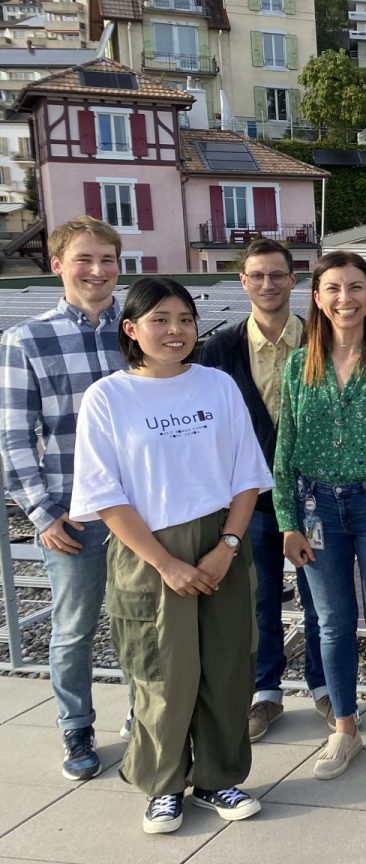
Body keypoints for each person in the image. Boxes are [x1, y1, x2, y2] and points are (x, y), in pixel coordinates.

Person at [70, 277, 270, 833]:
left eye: (184, 318)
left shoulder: (217, 387)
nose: (176, 330)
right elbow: (104, 495)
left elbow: (247, 476)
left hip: (220, 543)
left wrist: (228, 546)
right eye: (160, 320)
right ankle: (162, 784)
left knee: (227, 668)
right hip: (147, 550)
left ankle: (217, 778)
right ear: (131, 329)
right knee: (161, 673)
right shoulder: (108, 397)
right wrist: (166, 563)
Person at [274, 251, 366, 782]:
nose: (345, 298)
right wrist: (287, 520)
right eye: (333, 288)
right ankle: (344, 726)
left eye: (355, 287)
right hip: (316, 509)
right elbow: (285, 446)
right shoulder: (298, 364)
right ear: (316, 298)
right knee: (331, 624)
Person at [0, 216, 130, 780]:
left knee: (140, 620)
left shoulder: (143, 326)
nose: (98, 271)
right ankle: (76, 726)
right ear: (57, 265)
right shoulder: (26, 340)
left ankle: (143, 716)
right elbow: (12, 435)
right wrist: (41, 513)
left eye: (107, 259)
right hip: (72, 514)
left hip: (143, 510)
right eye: (84, 259)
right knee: (75, 626)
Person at [197, 238, 329, 741]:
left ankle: (324, 685)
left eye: (278, 275)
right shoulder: (220, 348)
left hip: (314, 493)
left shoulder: (321, 337)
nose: (269, 284)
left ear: (293, 280)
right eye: (258, 276)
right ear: (243, 282)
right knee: (258, 596)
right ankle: (265, 692)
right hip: (249, 498)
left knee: (321, 597)